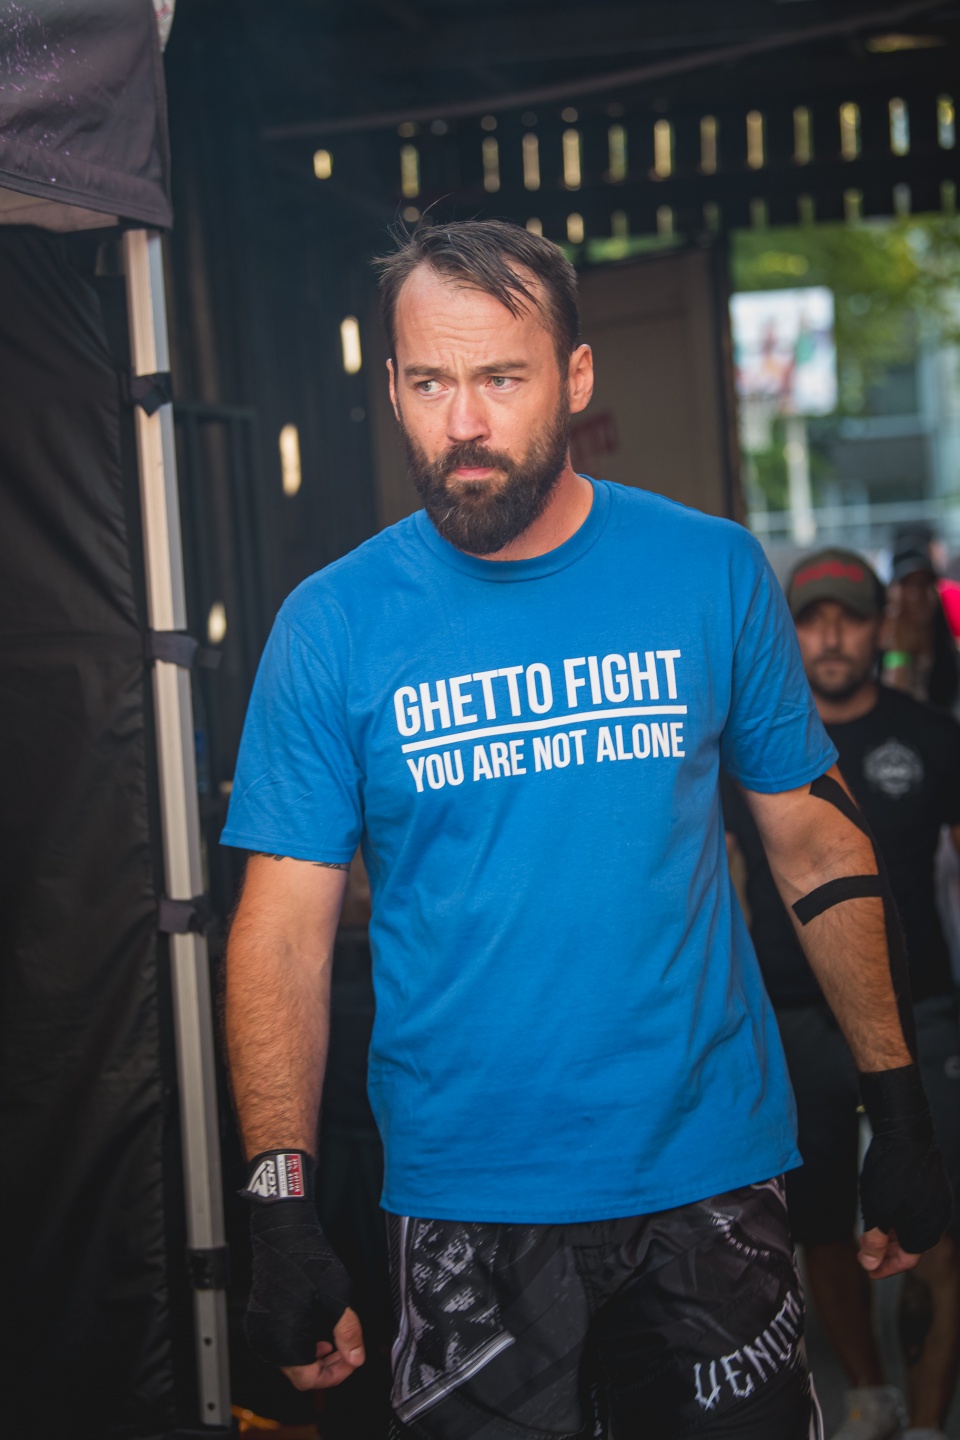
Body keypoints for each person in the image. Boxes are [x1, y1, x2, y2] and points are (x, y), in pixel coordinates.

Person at [221, 220, 950, 1440]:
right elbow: (282, 934)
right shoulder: (331, 625)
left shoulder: (710, 572)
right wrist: (279, 1208)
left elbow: (817, 848)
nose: (462, 423)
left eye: (500, 379)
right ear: (390, 386)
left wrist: (902, 1109)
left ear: (575, 378)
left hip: (709, 1175)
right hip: (467, 1201)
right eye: (429, 383)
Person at [723, 546, 960, 1440]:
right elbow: (722, 877)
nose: (829, 636)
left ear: (878, 627)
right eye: (812, 618)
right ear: (789, 631)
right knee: (819, 1228)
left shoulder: (931, 737)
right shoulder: (743, 751)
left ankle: (929, 1424)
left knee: (934, 1225)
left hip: (921, 1011)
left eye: (849, 617)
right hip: (792, 1019)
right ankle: (869, 1395)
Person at [881, 525, 959, 711]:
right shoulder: (874, 649)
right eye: (907, 585)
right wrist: (899, 653)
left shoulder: (945, 647)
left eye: (923, 585)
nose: (916, 595)